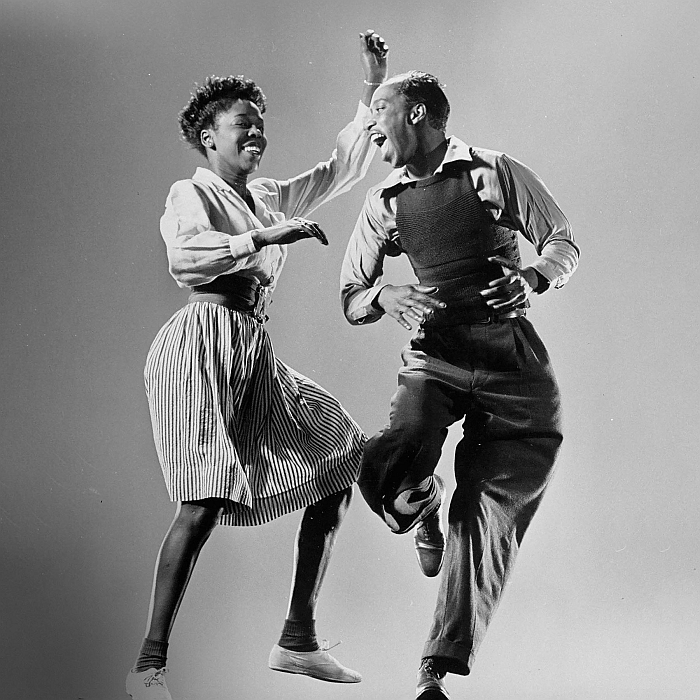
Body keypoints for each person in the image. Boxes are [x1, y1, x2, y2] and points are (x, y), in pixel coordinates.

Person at [125, 30, 389, 700]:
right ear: (208, 137)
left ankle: (297, 638)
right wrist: (263, 236)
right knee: (204, 500)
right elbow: (186, 256)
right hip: (201, 340)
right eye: (244, 124)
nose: (257, 135)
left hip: (251, 348)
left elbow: (337, 172)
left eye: (261, 126)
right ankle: (149, 667)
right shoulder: (192, 193)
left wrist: (370, 89)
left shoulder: (268, 193)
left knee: (340, 458)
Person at [340, 71, 579, 699]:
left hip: (511, 369)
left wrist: (533, 278)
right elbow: (351, 296)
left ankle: (434, 673)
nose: (370, 126)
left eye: (379, 111)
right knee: (400, 442)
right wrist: (382, 294)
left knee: (484, 521)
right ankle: (420, 506)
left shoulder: (493, 171)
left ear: (417, 113)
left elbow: (563, 241)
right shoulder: (384, 201)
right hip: (436, 358)